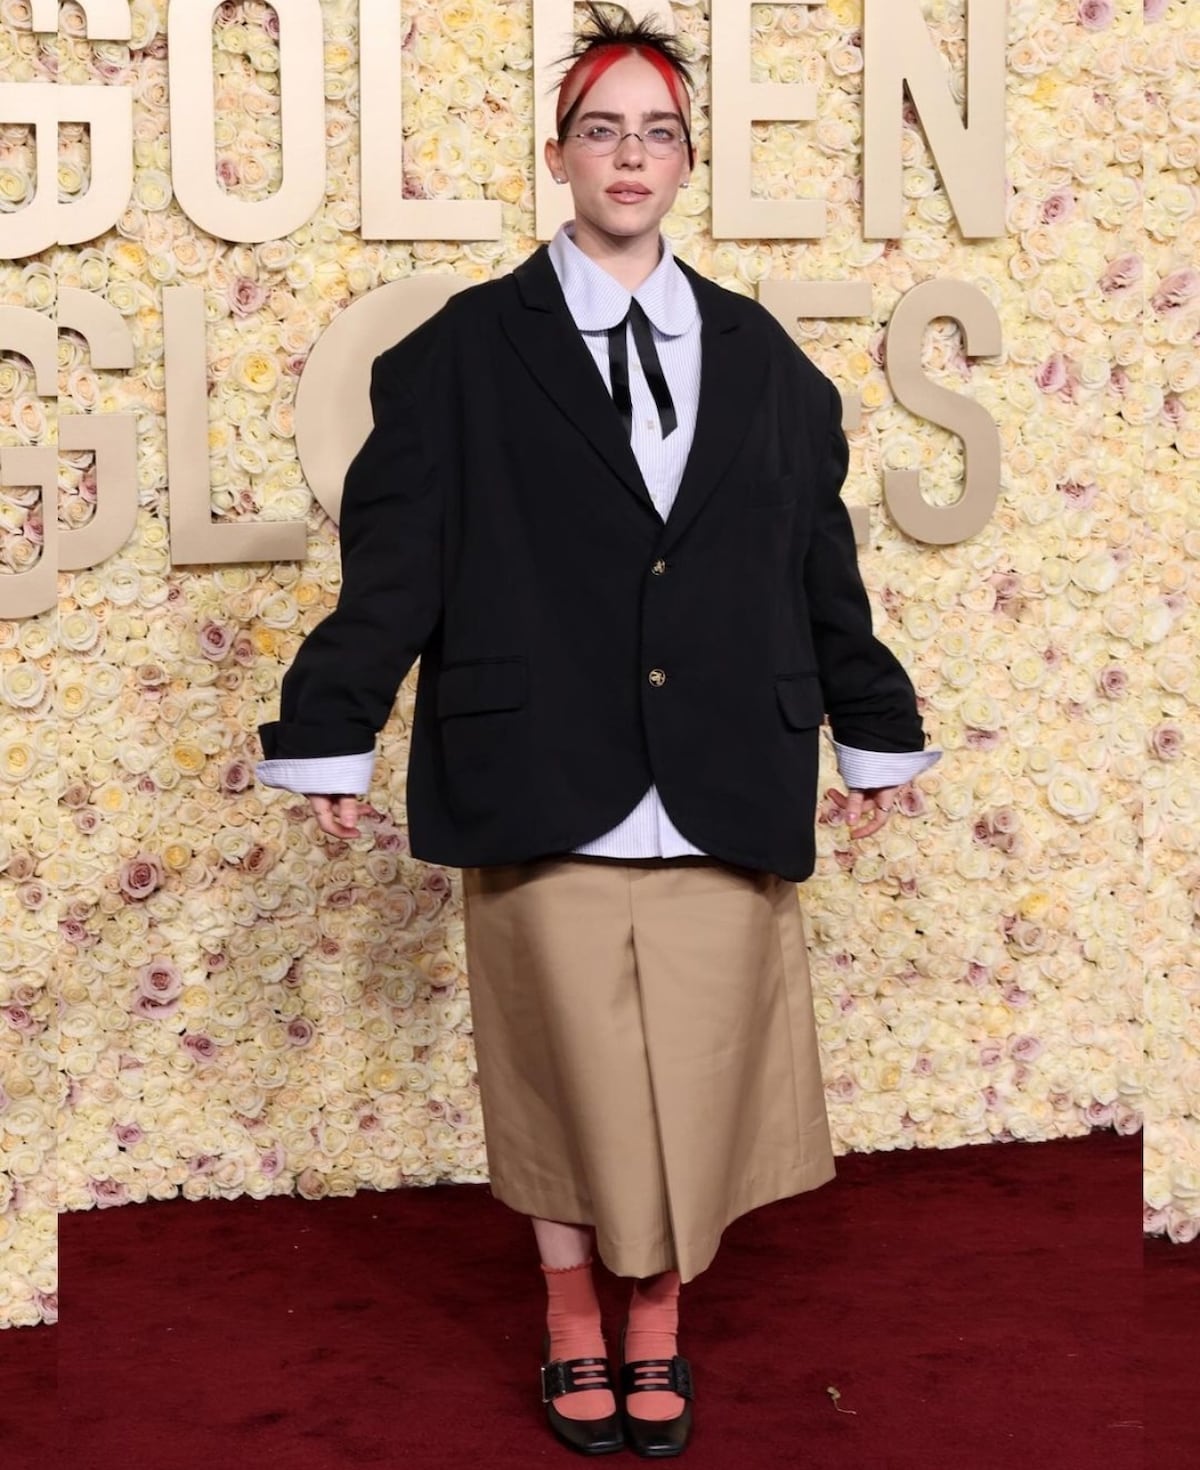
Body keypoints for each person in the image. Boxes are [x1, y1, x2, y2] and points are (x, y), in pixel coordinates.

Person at [256, 6, 940, 1457]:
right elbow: (395, 565)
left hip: (725, 774)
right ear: (559, 153)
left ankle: (659, 1323)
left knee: (694, 1068)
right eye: (603, 128)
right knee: (560, 1064)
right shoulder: (456, 358)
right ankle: (576, 1313)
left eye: (659, 131)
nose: (631, 154)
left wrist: (873, 729)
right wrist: (330, 729)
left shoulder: (768, 365)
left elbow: (817, 568)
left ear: (688, 161)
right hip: (535, 765)